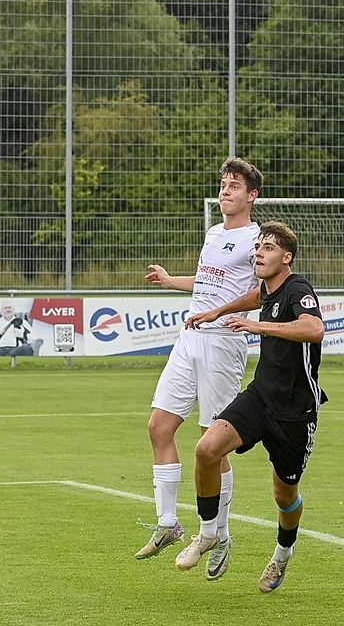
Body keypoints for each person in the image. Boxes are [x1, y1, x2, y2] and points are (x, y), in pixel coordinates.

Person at [177, 221, 326, 592]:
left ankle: (282, 554)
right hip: (260, 397)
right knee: (207, 448)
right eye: (258, 247)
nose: (259, 252)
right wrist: (216, 312)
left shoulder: (298, 290)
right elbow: (254, 298)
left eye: (269, 248)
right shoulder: (267, 289)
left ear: (286, 257)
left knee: (284, 495)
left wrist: (259, 328)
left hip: (295, 412)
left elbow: (314, 329)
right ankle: (209, 533)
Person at [134, 157, 262, 582]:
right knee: (159, 427)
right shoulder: (213, 232)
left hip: (223, 344)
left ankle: (219, 533)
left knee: (214, 444)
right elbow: (208, 281)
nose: (226, 191)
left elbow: (261, 294)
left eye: (234, 186)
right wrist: (172, 281)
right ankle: (169, 523)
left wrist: (218, 313)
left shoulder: (256, 239)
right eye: (223, 185)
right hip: (189, 338)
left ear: (251, 195)